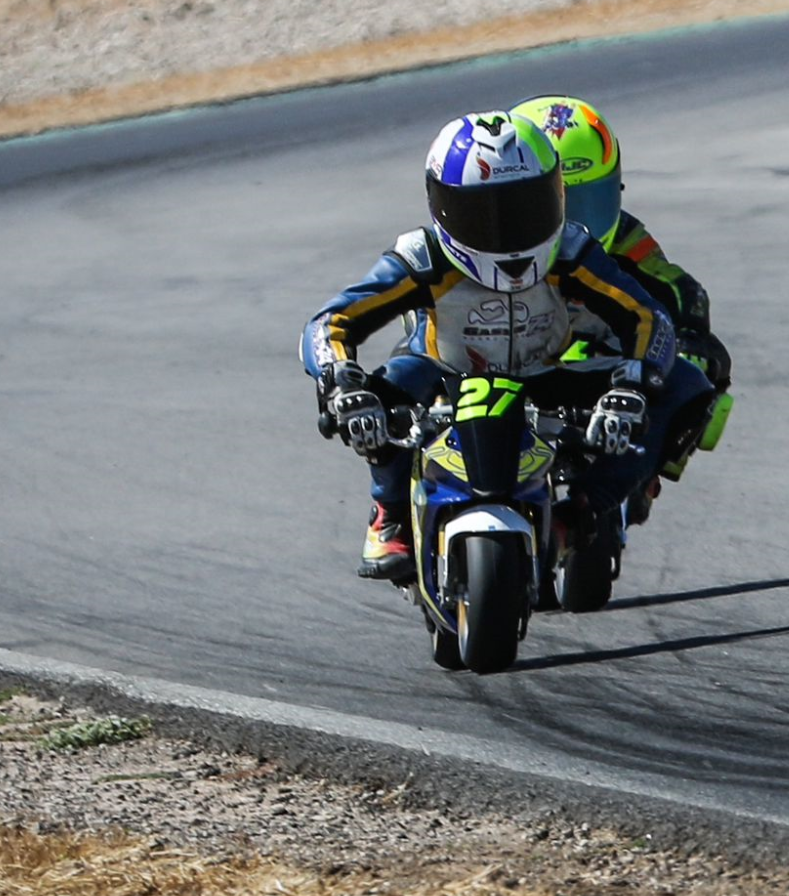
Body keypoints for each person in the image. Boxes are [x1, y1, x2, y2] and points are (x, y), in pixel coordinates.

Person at [302, 110, 715, 582]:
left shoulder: (573, 251)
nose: (506, 231)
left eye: (526, 207)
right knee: (392, 381)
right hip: (444, 373)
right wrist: (340, 380)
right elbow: (331, 321)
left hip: (546, 376)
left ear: (557, 194)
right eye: (482, 214)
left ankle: (582, 512)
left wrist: (634, 385)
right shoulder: (422, 256)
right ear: (441, 208)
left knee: (687, 384)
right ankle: (389, 512)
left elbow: (648, 318)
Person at [507, 95, 732, 515]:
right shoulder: (487, 238)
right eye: (551, 203)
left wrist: (691, 334)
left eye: (586, 201)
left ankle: (642, 469)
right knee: (413, 372)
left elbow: (679, 288)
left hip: (593, 361)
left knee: (701, 371)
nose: (572, 224)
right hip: (504, 356)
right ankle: (389, 511)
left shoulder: (627, 240)